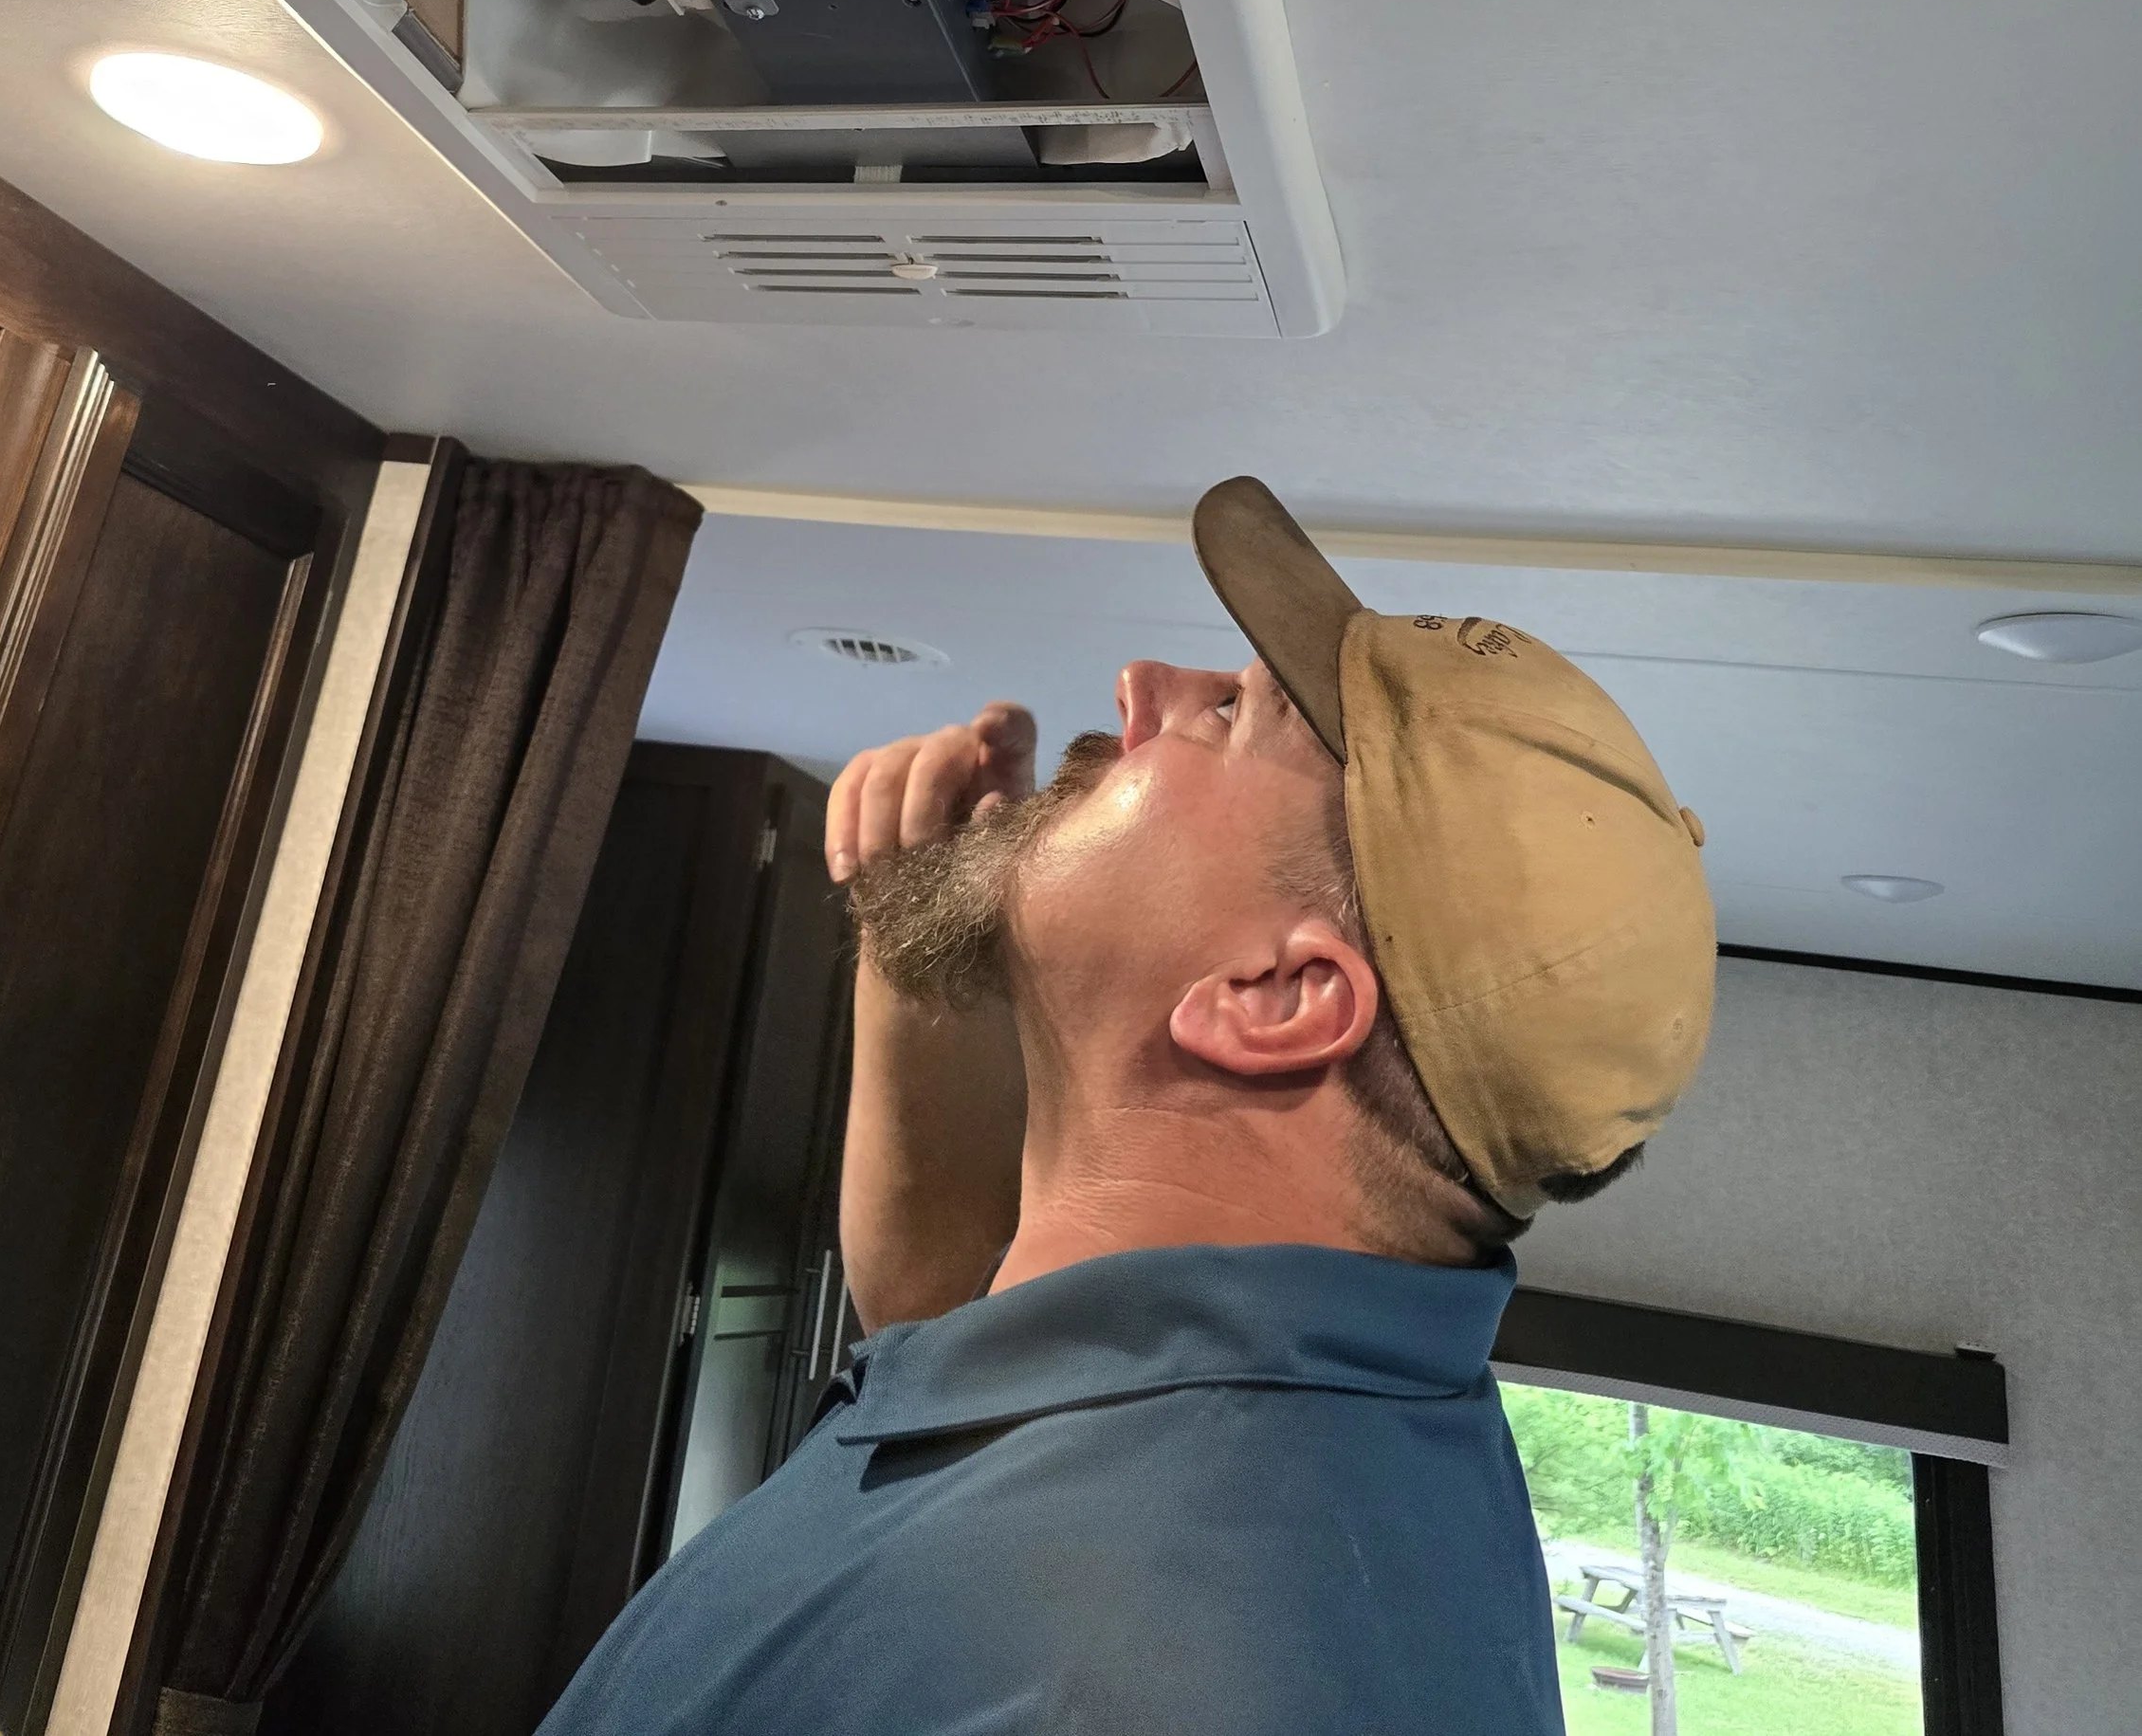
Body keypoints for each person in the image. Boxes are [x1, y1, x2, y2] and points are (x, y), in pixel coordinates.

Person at [538, 476, 1716, 1734]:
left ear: (1275, 995)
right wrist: (916, 933)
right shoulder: (1337, 1409)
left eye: (1229, 717)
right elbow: (958, 1332)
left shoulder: (1114, 1681)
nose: (1140, 686)